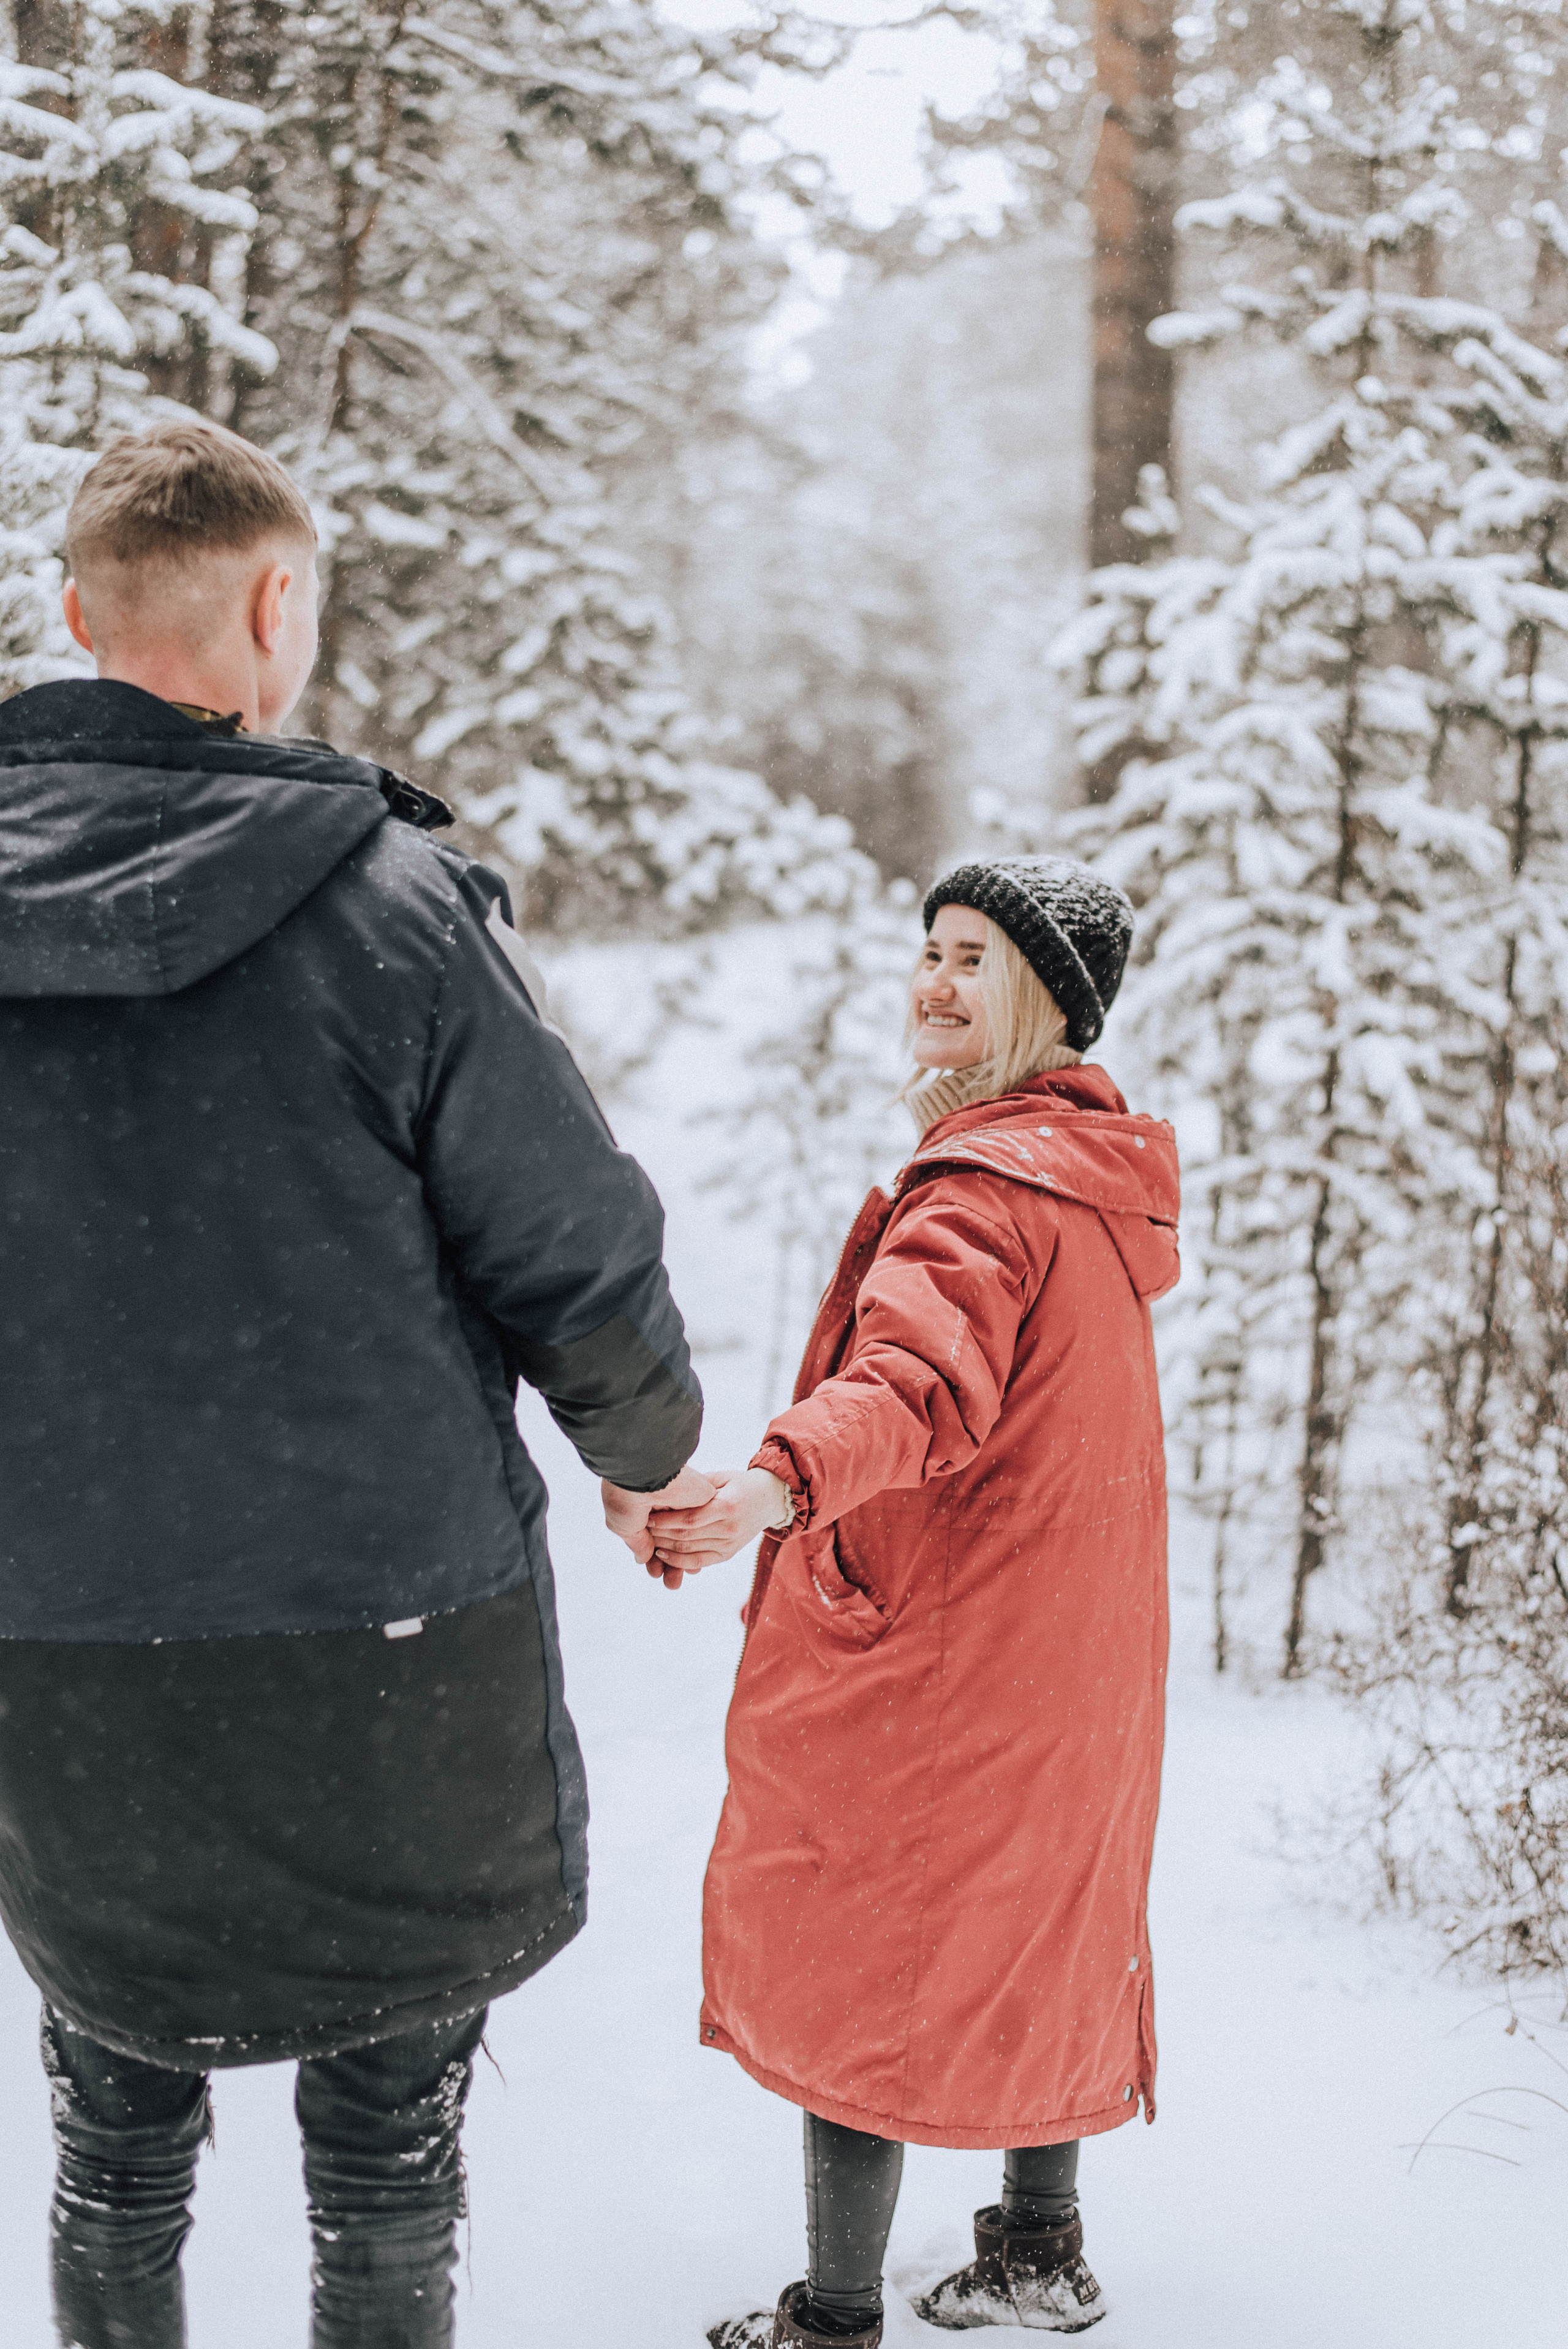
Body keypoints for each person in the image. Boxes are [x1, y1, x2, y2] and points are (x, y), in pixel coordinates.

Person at [0, 418, 710, 2348]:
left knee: (114, 2133)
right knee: (389, 2138)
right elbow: (570, 1242)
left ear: (73, 617)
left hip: (56, 1643)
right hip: (385, 1644)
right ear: (275, 606)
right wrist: (650, 1453)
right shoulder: (389, 908)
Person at [649, 859, 1180, 2347]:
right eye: (926, 952)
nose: (932, 983)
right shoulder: (1089, 1182)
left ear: (1044, 1004)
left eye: (972, 960)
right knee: (1042, 1917)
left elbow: (908, 1385)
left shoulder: (982, 1190)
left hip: (951, 1642)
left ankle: (830, 2317)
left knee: (857, 1931)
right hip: (1066, 1646)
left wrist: (771, 1484)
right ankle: (1035, 2249)